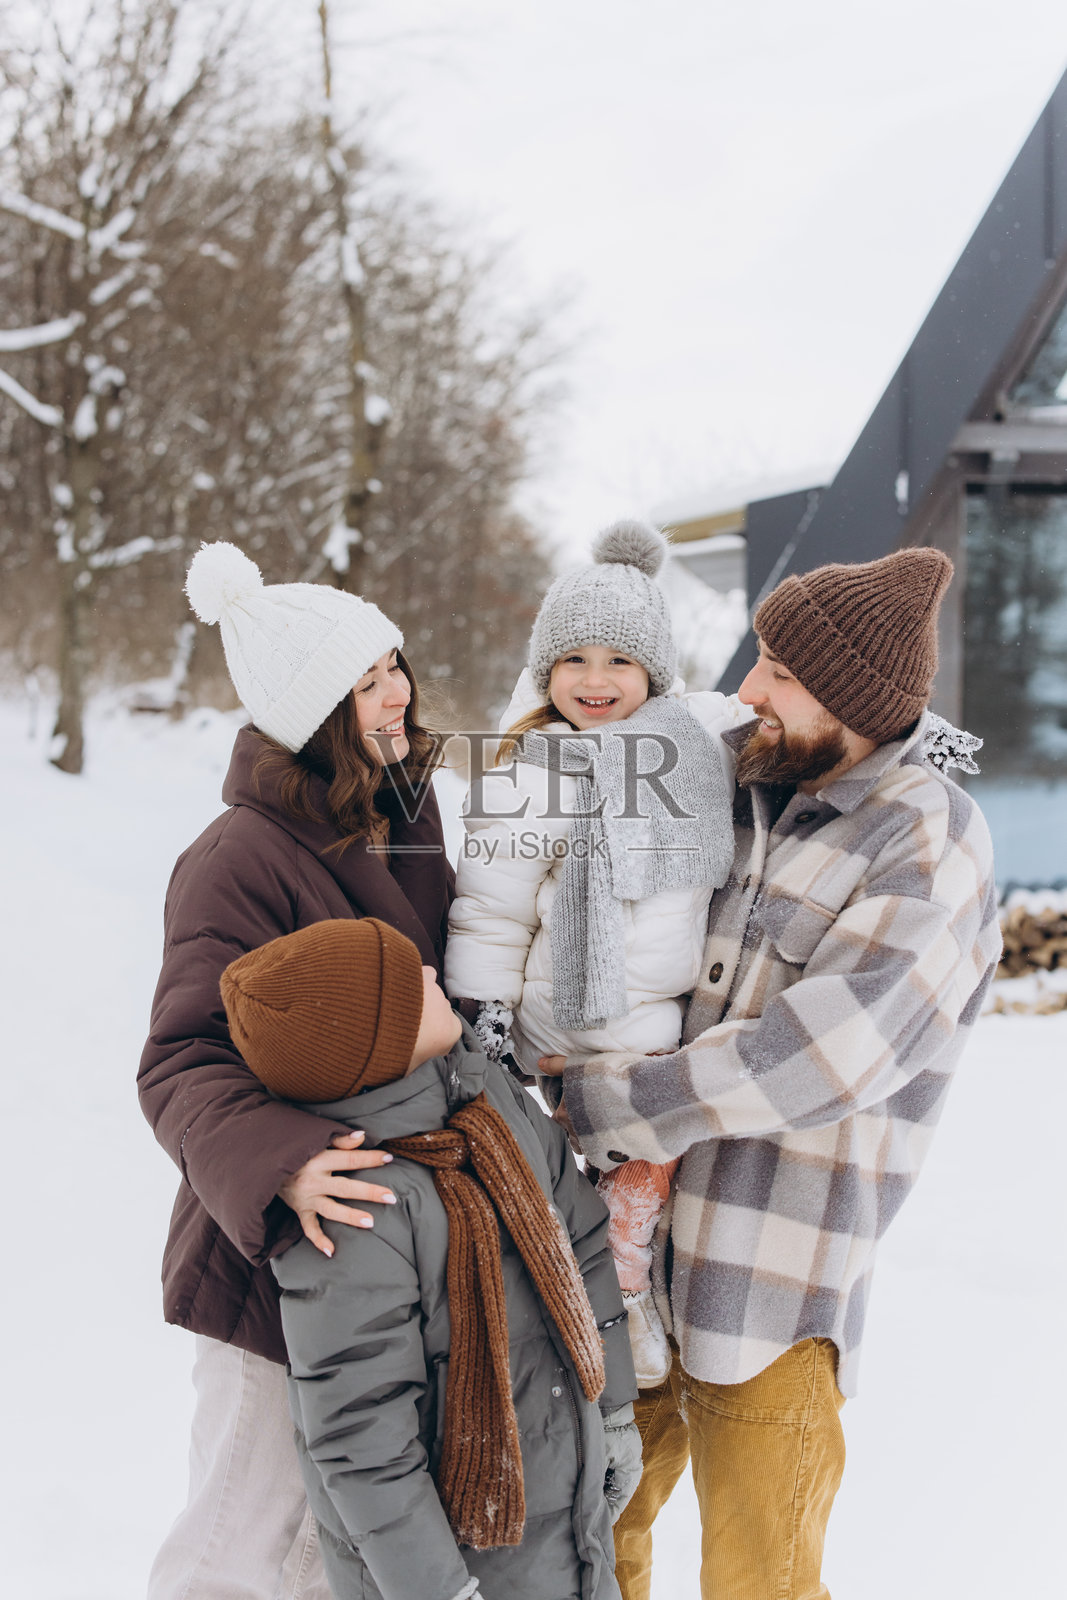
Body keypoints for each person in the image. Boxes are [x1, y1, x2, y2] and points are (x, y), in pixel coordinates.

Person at [544, 547, 1002, 1600]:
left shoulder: (925, 843)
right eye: (756, 658)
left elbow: (817, 1055)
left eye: (780, 673)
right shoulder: (744, 781)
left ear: (851, 700)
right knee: (584, 1549)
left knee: (759, 1581)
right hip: (629, 1263)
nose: (747, 688)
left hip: (771, 1288)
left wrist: (606, 1100)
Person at [138, 542, 454, 1600]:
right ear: (317, 712)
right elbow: (180, 1057)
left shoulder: (400, 817)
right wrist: (283, 1165)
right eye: (365, 682)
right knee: (236, 1544)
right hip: (270, 1263)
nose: (396, 690)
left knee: (333, 1558)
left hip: (384, 1260)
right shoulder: (238, 856)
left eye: (392, 663)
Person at [218, 915, 641, 1600]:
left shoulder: (490, 1103)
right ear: (372, 1046)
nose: (428, 974)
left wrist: (614, 1408)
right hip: (450, 1560)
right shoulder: (355, 1207)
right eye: (404, 985)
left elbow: (581, 1240)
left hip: (566, 1517)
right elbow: (362, 1439)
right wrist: (438, 1591)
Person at [445, 521, 742, 1386]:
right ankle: (583, 1311)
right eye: (573, 660)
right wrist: (488, 1020)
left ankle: (626, 1289)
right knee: (558, 1198)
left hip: (651, 1032)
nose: (595, 680)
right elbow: (490, 910)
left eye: (619, 659)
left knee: (642, 1190)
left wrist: (914, 738)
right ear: (544, 673)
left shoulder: (694, 747)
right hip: (552, 1030)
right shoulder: (529, 770)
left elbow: (782, 715)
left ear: (655, 671)